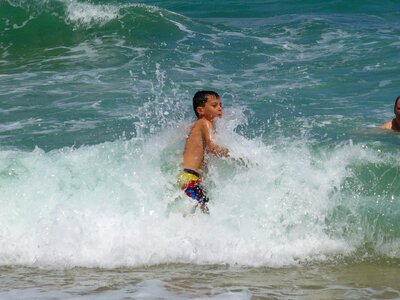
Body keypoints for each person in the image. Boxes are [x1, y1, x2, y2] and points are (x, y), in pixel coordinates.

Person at [177, 90, 229, 214]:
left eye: (221, 105)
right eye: (214, 105)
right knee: (204, 210)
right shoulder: (205, 123)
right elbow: (212, 147)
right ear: (201, 110)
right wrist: (231, 153)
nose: (220, 108)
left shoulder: (199, 125)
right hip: (190, 178)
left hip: (188, 177)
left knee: (198, 211)